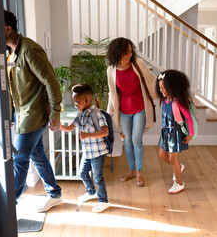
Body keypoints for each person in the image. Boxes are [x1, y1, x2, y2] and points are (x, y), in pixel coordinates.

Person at [4, 10, 63, 212]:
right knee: (37, 155)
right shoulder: (10, 54)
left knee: (20, 159)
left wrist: (56, 113)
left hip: (34, 115)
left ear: (7, 29)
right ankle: (54, 193)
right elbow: (15, 89)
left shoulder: (30, 50)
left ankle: (9, 206)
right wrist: (12, 114)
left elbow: (51, 82)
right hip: (23, 115)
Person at [106, 37, 157, 187]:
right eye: (126, 53)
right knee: (126, 141)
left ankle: (140, 171)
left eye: (130, 52)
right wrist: (110, 112)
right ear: (117, 53)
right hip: (123, 111)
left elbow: (151, 80)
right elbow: (112, 93)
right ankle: (132, 170)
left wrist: (166, 87)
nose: (129, 55)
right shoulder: (111, 70)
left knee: (136, 140)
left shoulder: (138, 64)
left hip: (140, 108)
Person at [59, 83, 110, 213]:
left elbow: (105, 132)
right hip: (88, 152)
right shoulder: (80, 115)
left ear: (87, 100)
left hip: (98, 152)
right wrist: (57, 126)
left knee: (98, 178)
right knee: (82, 173)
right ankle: (91, 192)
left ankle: (104, 201)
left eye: (76, 102)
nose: (75, 105)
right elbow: (70, 128)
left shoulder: (97, 114)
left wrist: (88, 135)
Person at [155, 70, 198, 194]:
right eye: (160, 88)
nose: (162, 91)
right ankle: (180, 167)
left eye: (165, 88)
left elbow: (189, 118)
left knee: (173, 159)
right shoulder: (164, 101)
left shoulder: (177, 102)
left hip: (176, 133)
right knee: (161, 155)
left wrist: (191, 134)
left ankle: (179, 184)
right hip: (166, 133)